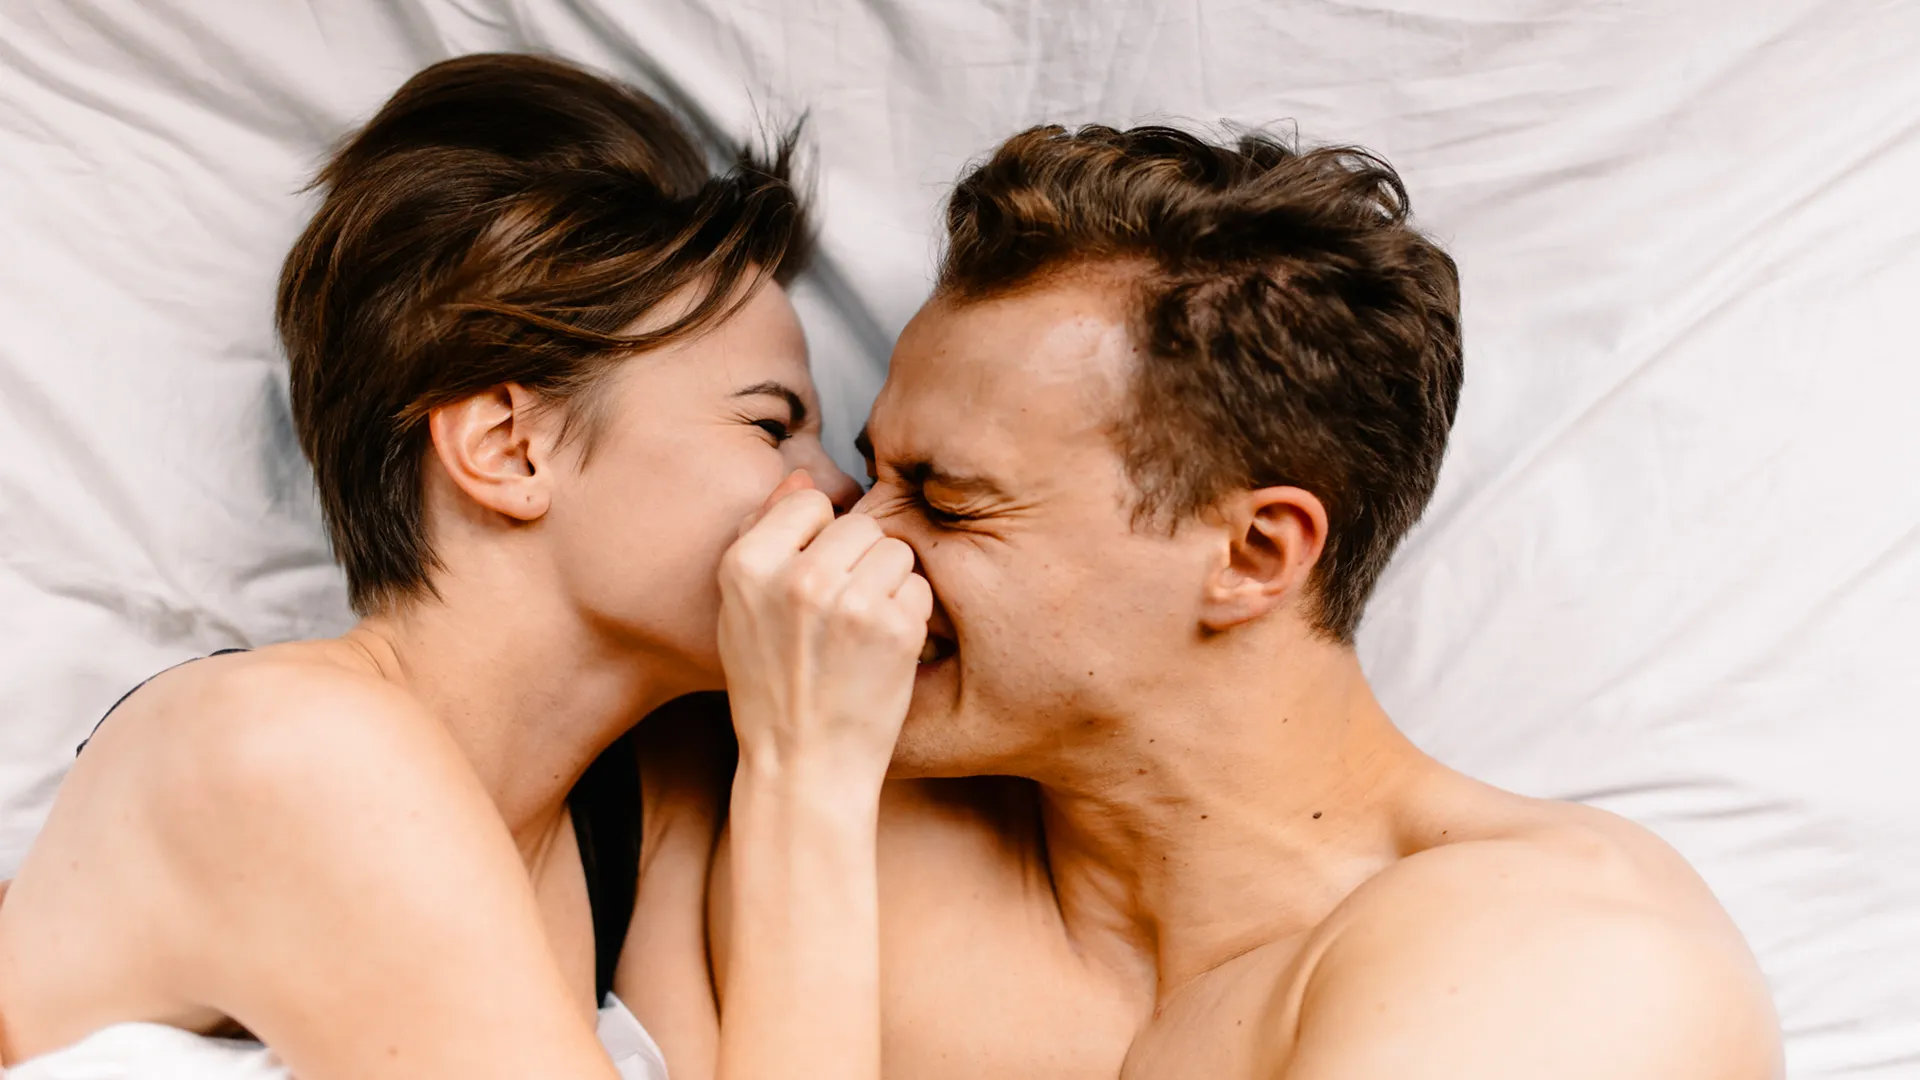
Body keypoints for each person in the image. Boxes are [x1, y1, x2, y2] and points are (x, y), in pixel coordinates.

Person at [676, 124, 1786, 1078]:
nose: (850, 540)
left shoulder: (1561, 950)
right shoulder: (807, 820)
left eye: (950, 502)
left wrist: (800, 790)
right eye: (880, 475)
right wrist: (799, 790)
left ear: (1255, 552)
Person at [0, 53, 925, 1080]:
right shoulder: (292, 749)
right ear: (508, 447)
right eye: (771, 424)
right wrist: (814, 780)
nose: (841, 498)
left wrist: (799, 769)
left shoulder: (658, 793)